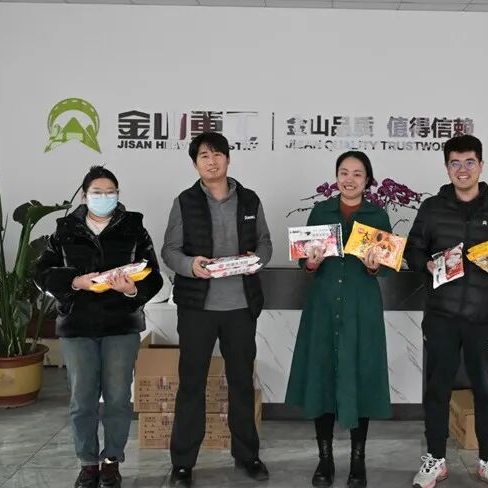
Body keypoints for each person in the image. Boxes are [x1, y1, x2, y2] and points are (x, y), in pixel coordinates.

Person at [403, 135, 488, 488]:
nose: (463, 169)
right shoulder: (431, 208)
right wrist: (426, 264)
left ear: (481, 166)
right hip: (441, 315)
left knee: (486, 389)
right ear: (447, 168)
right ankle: (436, 459)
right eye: (455, 163)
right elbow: (412, 250)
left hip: (484, 317)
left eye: (470, 162)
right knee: (437, 388)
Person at [36, 165, 163, 488]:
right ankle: (88, 463)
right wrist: (74, 281)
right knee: (82, 400)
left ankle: (111, 461)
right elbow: (41, 274)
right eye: (97, 192)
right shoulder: (65, 230)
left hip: (121, 325)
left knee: (118, 398)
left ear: (118, 195)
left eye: (110, 192)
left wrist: (131, 290)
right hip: (77, 325)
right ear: (84, 196)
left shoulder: (134, 228)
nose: (104, 197)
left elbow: (154, 274)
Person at [162, 132, 273, 487]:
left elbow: (265, 243)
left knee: (241, 383)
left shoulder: (250, 199)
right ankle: (182, 464)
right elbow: (169, 250)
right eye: (204, 156)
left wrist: (257, 260)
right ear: (195, 164)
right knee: (192, 383)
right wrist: (190, 265)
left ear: (228, 158)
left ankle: (247, 456)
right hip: (197, 308)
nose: (212, 162)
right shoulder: (185, 202)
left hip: (241, 306)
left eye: (217, 155)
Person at [285, 151, 392, 488]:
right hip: (323, 305)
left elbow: (387, 266)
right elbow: (304, 261)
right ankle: (325, 459)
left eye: (357, 174)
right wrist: (312, 262)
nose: (350, 179)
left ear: (367, 180)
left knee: (361, 376)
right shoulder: (321, 211)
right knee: (322, 377)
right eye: (344, 172)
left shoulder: (378, 215)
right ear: (336, 177)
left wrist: (375, 266)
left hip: (362, 307)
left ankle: (358, 462)